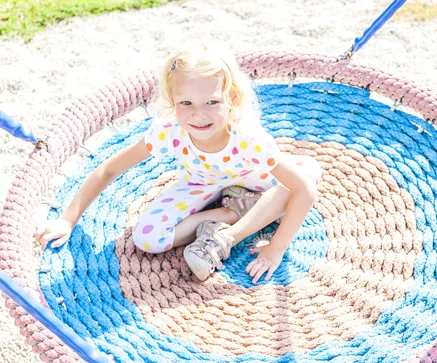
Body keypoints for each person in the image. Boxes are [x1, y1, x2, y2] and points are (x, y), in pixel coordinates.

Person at [34, 44, 321, 284]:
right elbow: (110, 168)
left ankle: (231, 235)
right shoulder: (169, 131)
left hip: (254, 179)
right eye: (186, 103)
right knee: (146, 239)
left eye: (211, 102)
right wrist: (67, 219)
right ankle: (229, 212)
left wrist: (276, 247)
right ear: (172, 101)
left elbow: (304, 189)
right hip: (201, 182)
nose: (199, 115)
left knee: (308, 171)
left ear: (231, 99)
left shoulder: (247, 140)